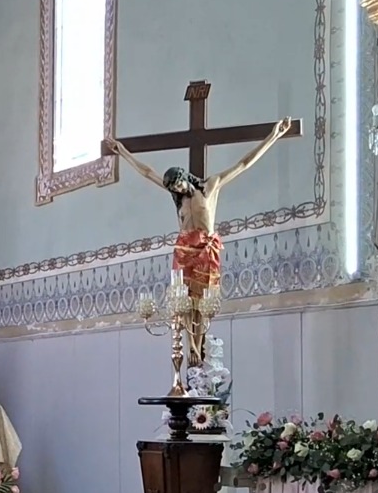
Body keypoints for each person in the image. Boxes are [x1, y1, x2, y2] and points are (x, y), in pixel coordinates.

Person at [103, 116, 292, 365]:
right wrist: (123, 152)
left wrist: (274, 135)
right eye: (174, 188)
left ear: (185, 177)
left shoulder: (210, 187)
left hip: (205, 247)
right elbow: (147, 172)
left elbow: (243, 164)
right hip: (184, 249)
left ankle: (199, 343)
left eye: (179, 184)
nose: (178, 190)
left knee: (202, 300)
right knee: (183, 300)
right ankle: (190, 344)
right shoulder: (178, 198)